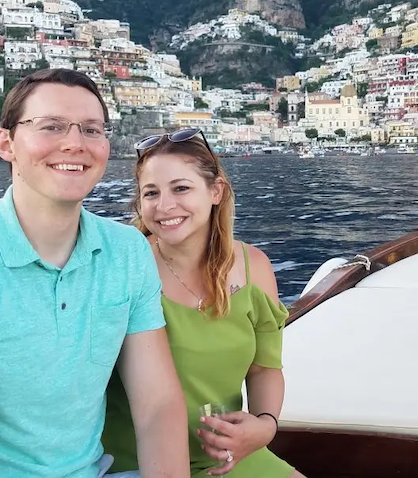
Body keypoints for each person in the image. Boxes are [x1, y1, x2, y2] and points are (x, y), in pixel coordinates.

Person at [0, 68, 189, 478]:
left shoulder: (127, 252)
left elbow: (158, 407)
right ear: (6, 143)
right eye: (52, 127)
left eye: (92, 130)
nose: (75, 143)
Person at [102, 129, 305, 478]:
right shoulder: (127, 268)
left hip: (229, 458)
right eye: (151, 193)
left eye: (181, 188)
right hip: (138, 464)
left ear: (216, 191)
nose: (164, 206)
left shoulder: (255, 267)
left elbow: (265, 368)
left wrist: (263, 427)